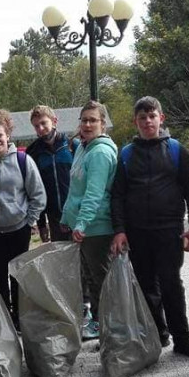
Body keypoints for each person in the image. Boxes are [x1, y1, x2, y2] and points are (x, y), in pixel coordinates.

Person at [111, 96, 189, 360]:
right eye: (142, 118)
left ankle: (183, 340)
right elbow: (117, 195)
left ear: (160, 119)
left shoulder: (176, 150)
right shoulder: (126, 154)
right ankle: (157, 335)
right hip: (137, 232)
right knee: (145, 286)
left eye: (152, 116)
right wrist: (119, 229)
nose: (147, 121)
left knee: (170, 285)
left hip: (169, 230)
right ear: (136, 121)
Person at [0, 108, 46, 329]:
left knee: (18, 278)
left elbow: (38, 194)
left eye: (0, 135)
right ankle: (4, 320)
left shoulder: (23, 160)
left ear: (8, 135)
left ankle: (20, 319)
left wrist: (29, 221)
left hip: (19, 229)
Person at [60, 101, 116, 340]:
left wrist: (81, 224)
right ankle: (100, 323)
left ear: (103, 124)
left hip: (97, 228)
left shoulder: (101, 152)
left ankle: (109, 328)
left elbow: (94, 194)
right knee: (92, 279)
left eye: (93, 120)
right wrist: (67, 217)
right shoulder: (84, 147)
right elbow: (74, 189)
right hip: (84, 227)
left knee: (101, 281)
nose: (88, 124)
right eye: (84, 120)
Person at [26, 105, 79, 243]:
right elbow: (34, 189)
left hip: (78, 213)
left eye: (44, 123)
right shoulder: (33, 152)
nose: (41, 129)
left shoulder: (73, 146)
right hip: (55, 218)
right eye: (36, 126)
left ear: (54, 121)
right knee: (61, 259)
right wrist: (42, 224)